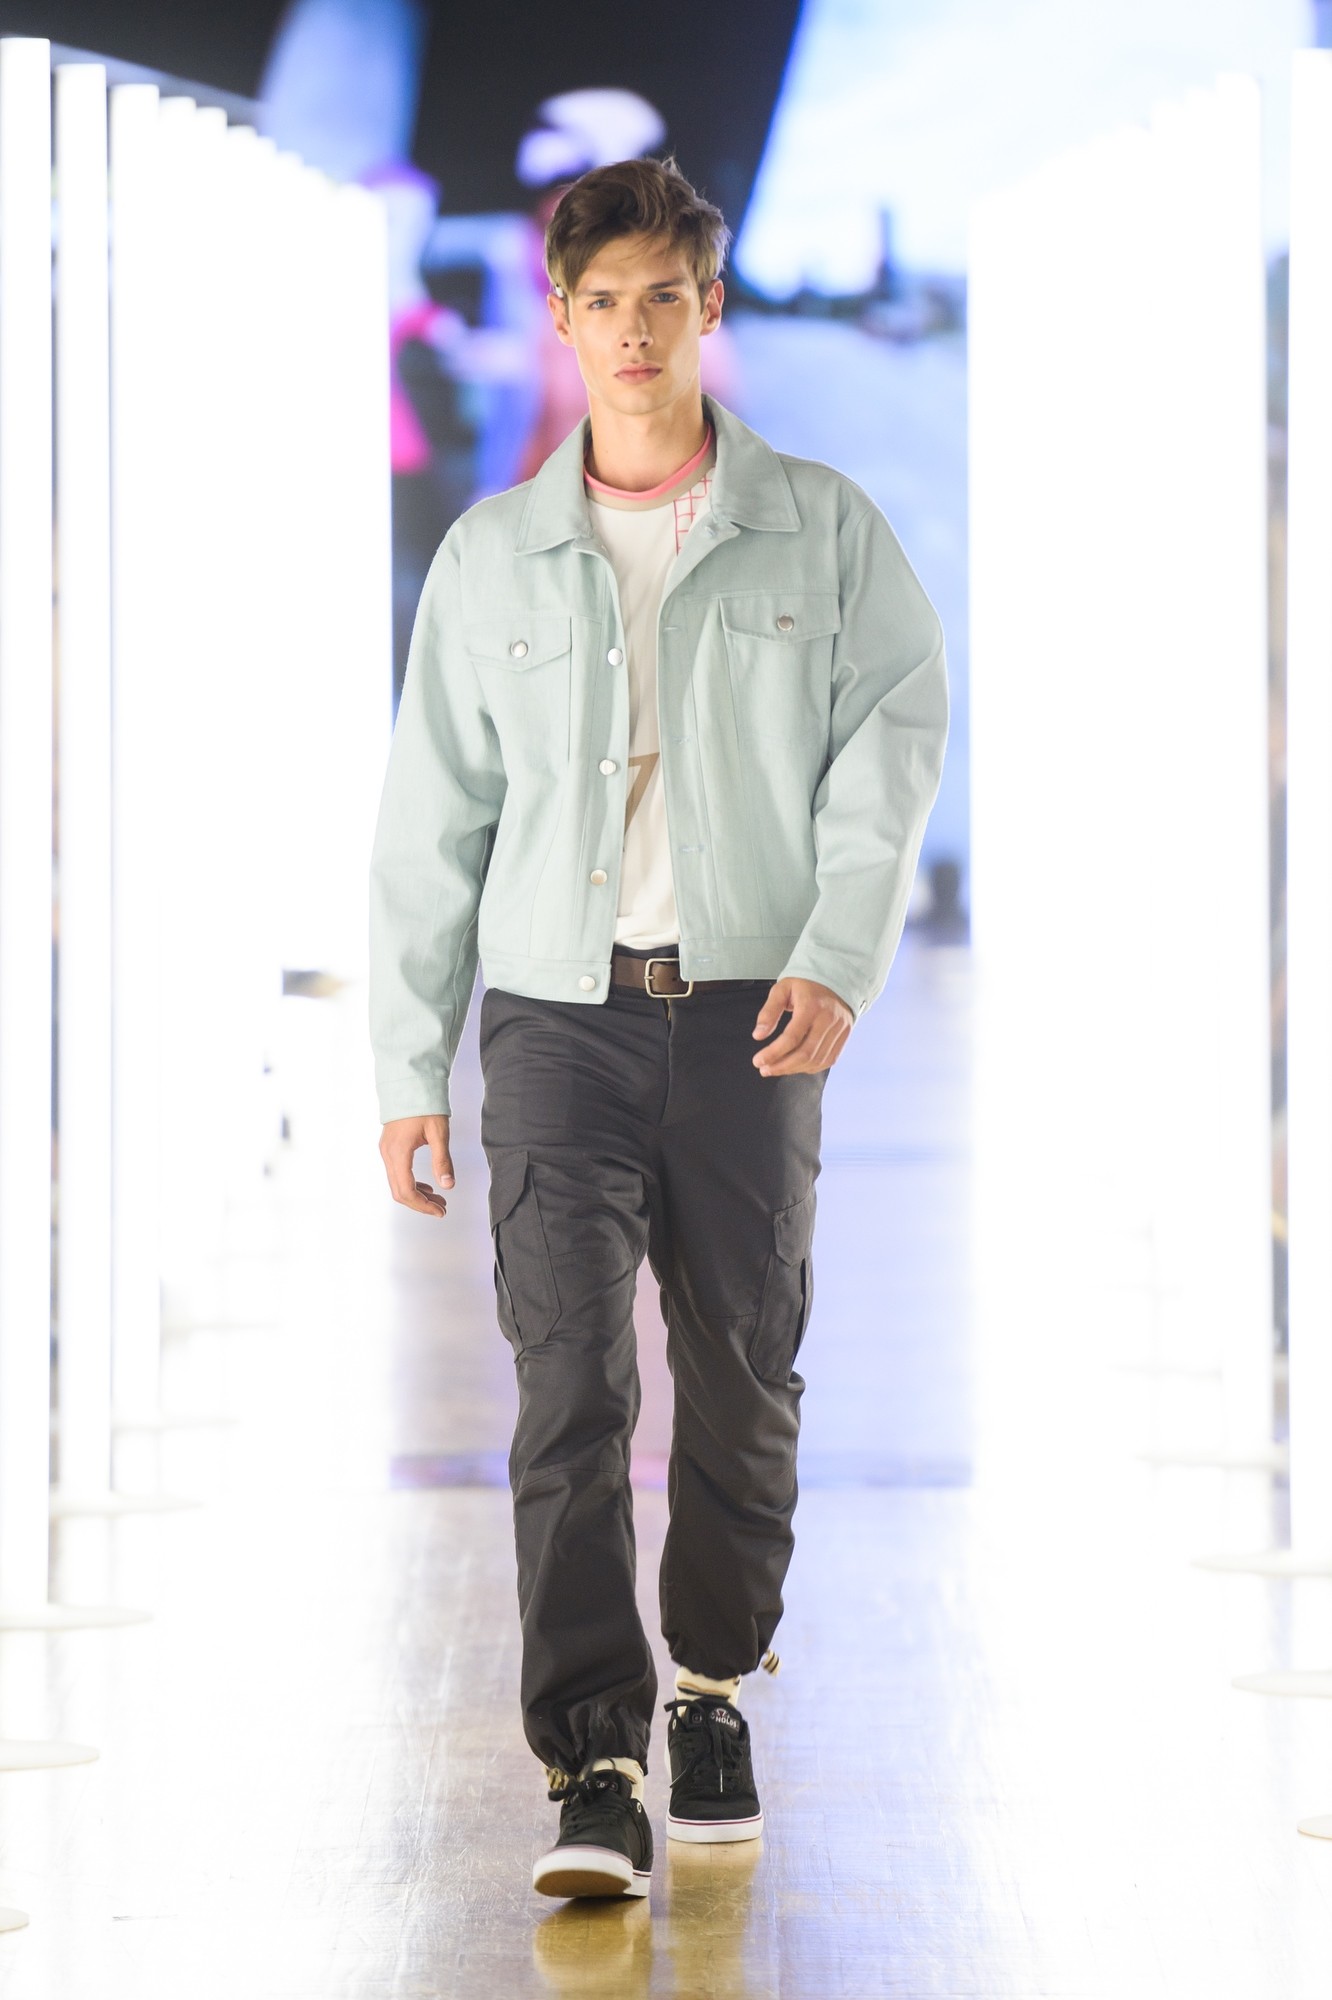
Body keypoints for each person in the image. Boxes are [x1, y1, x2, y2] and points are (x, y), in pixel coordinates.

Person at [368, 155, 948, 1902]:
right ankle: (591, 1762)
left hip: (752, 1016)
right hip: (556, 1020)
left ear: (710, 307)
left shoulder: (821, 529)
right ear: (562, 315)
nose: (635, 333)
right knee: (567, 1387)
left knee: (745, 1375)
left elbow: (895, 737)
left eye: (665, 300)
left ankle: (707, 1694)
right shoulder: (494, 557)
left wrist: (840, 954)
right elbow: (429, 822)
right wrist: (406, 1065)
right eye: (605, 302)